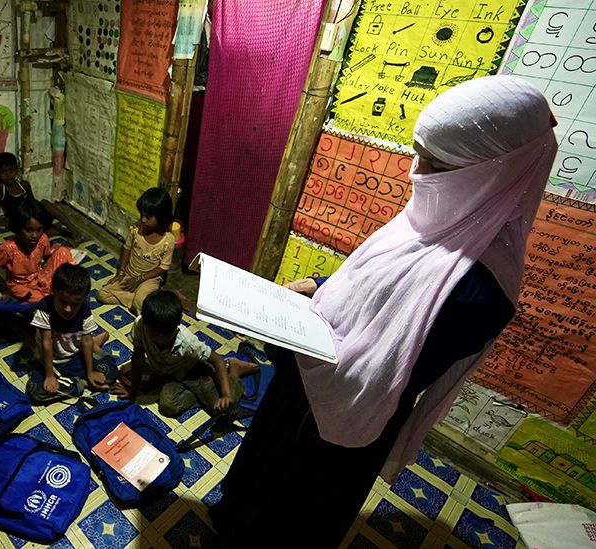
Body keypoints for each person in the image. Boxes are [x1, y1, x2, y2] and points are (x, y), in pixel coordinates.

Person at [209, 76, 559, 546]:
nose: (417, 173)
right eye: (419, 155)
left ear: (492, 173)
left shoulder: (481, 289)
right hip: (302, 385)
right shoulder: (442, 216)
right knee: (261, 475)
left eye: (436, 164)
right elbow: (370, 279)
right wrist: (315, 285)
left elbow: (377, 376)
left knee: (295, 511)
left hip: (344, 422)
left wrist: (285, 335)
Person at [110, 290, 258, 417]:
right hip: (165, 368)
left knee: (223, 410)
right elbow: (138, 356)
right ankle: (199, 392)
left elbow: (217, 360)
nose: (161, 339)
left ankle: (234, 370)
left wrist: (226, 395)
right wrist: (132, 390)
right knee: (124, 374)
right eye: (155, 334)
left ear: (177, 325)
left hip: (192, 372)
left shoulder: (188, 343)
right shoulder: (140, 324)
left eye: (167, 335)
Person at [25, 264, 114, 402]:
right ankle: (82, 383)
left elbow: (85, 340)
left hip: (75, 356)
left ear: (83, 299)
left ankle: (94, 347)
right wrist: (49, 375)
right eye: (62, 301)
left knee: (110, 373)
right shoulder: (45, 308)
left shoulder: (84, 310)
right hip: (51, 362)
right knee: (35, 391)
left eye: (75, 304)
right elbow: (46, 343)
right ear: (53, 291)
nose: (67, 309)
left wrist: (90, 372)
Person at [0, 199, 76, 303]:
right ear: (17, 228)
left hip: (39, 277)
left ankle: (53, 291)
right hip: (20, 286)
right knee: (45, 301)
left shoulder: (43, 239)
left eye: (39, 229)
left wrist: (56, 255)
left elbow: (46, 257)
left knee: (63, 252)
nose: (35, 235)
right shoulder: (8, 248)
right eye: (29, 230)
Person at [97, 188, 175, 314]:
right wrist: (121, 272)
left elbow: (163, 268)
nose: (143, 220)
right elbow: (126, 249)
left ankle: (139, 300)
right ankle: (136, 301)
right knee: (102, 294)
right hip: (129, 274)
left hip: (149, 279)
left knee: (140, 301)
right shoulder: (136, 228)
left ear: (161, 217)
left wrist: (139, 279)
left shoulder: (168, 240)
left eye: (148, 217)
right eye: (141, 215)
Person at [0, 152, 79, 242]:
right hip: (20, 221)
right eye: (3, 172)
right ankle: (57, 231)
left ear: (16, 170)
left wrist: (40, 214)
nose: (8, 175)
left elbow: (33, 202)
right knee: (27, 237)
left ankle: (72, 229)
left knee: (45, 203)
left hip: (32, 218)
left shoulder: (24, 185)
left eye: (11, 170)